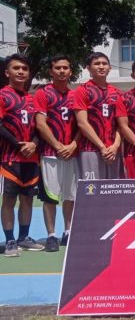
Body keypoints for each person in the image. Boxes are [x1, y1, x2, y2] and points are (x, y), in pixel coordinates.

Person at [34, 55, 79, 252]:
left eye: (65, 68)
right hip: (51, 153)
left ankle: (67, 232)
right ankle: (51, 235)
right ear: (51, 72)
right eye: (58, 68)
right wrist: (58, 145)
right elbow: (40, 125)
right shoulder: (43, 94)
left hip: (72, 154)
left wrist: (73, 146)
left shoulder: (76, 95)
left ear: (70, 71)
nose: (62, 71)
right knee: (50, 197)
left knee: (70, 196)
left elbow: (82, 125)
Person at [0, 54, 44, 256]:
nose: (20, 72)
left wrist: (33, 145)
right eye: (16, 68)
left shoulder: (32, 99)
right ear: (7, 72)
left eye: (24, 69)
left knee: (27, 200)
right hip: (10, 158)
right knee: (9, 200)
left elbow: (39, 128)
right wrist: (19, 145)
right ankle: (9, 241)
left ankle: (23, 237)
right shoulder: (2, 96)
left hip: (31, 158)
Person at [72, 52, 123, 180]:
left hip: (113, 151)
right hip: (90, 150)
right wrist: (102, 146)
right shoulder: (82, 91)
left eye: (104, 64)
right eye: (97, 64)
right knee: (91, 192)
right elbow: (82, 123)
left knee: (113, 192)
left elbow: (121, 125)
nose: (101, 67)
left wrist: (115, 146)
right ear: (88, 68)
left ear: (110, 68)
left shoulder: (117, 93)